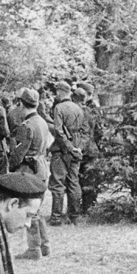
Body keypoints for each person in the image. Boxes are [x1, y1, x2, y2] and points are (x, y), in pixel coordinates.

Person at [9, 88, 54, 259]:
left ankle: (34, 248)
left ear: (21, 103)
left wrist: (11, 168)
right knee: (36, 209)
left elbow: (18, 155)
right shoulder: (42, 122)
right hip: (42, 167)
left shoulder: (26, 126)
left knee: (29, 209)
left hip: (29, 170)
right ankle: (44, 245)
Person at [48, 81, 86, 225]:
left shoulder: (59, 107)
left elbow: (58, 130)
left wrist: (69, 147)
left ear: (59, 92)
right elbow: (84, 131)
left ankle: (56, 217)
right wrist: (78, 148)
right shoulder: (79, 108)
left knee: (58, 182)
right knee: (74, 182)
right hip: (76, 148)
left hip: (61, 149)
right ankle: (74, 216)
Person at [74, 82, 103, 213]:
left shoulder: (89, 109)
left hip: (87, 148)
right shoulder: (93, 107)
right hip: (91, 147)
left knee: (87, 178)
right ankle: (86, 206)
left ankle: (88, 206)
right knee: (85, 178)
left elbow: (96, 131)